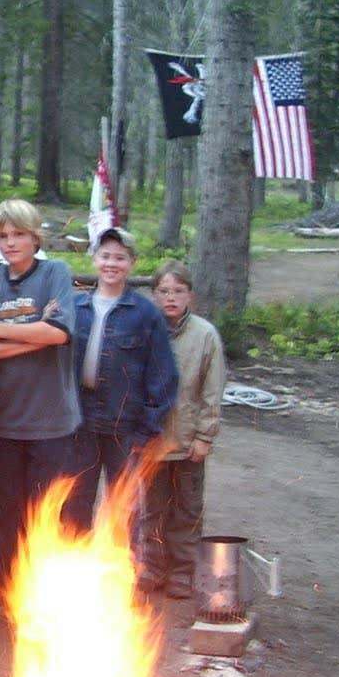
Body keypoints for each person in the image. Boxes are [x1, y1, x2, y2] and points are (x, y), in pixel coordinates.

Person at [0, 199, 80, 622]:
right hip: (5, 422)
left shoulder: (55, 273)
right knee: (9, 512)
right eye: (3, 236)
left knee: (48, 511)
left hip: (52, 421)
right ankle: (3, 591)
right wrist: (36, 332)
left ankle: (44, 598)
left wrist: (3, 329)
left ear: (35, 237)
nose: (11, 243)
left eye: (19, 234)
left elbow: (62, 333)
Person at [68, 227, 179, 570]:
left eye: (119, 257)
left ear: (132, 263)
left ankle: (120, 578)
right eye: (105, 256)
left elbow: (162, 375)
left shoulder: (145, 314)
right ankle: (73, 569)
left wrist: (148, 428)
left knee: (122, 505)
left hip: (125, 424)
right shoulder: (76, 307)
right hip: (80, 422)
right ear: (94, 259)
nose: (111, 263)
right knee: (75, 502)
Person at [139, 260, 225, 599]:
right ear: (154, 293)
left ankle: (182, 571)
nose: (170, 298)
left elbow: (211, 389)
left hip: (189, 440)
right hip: (153, 440)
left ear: (190, 294)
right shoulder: (146, 329)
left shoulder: (205, 335)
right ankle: (152, 565)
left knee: (187, 508)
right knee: (151, 508)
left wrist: (205, 436)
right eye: (163, 291)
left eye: (178, 291)